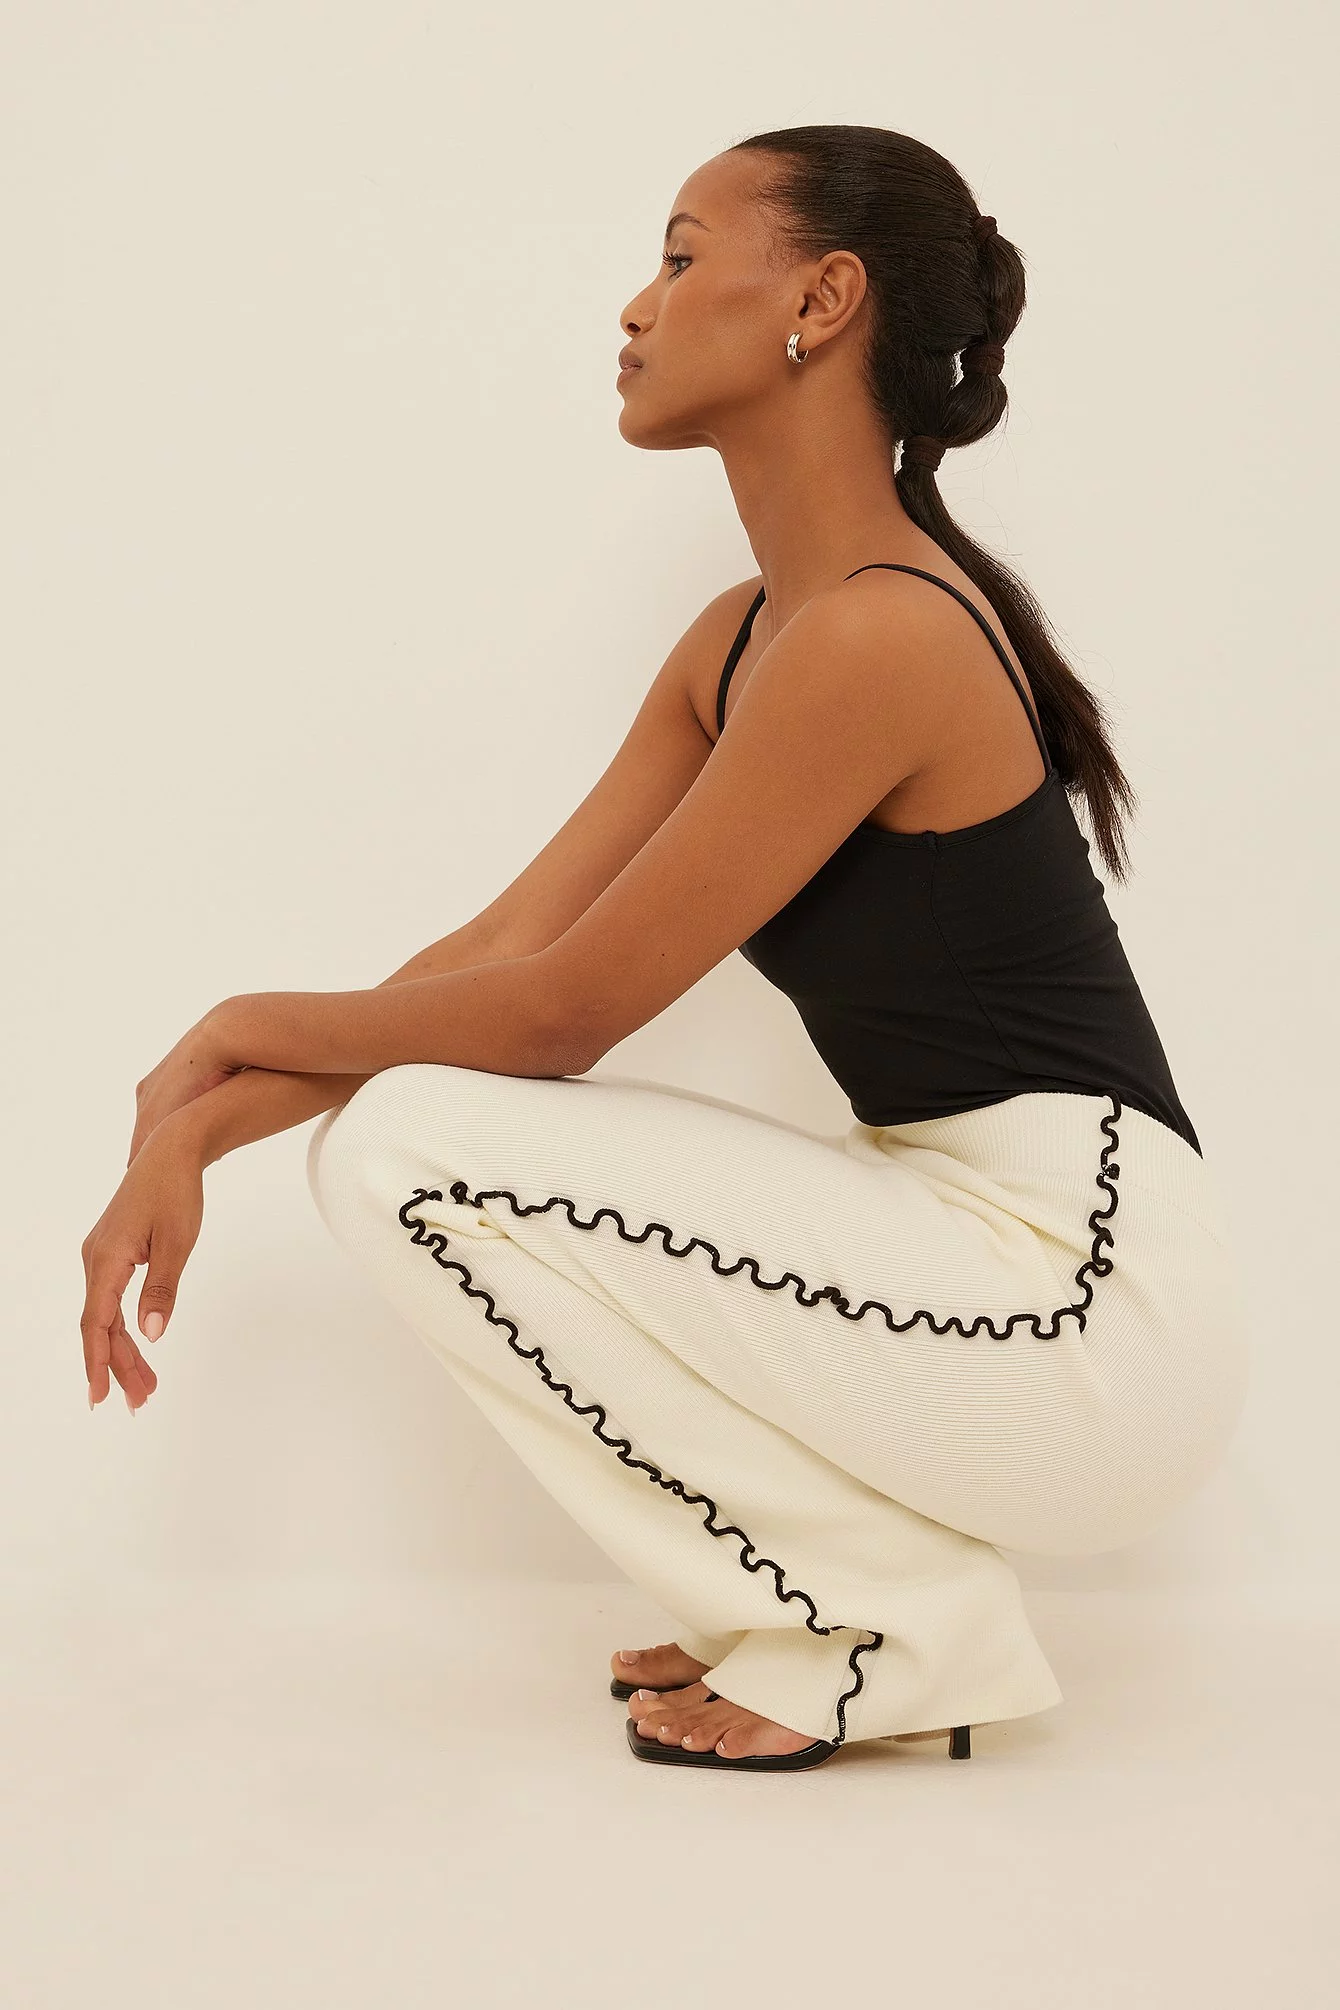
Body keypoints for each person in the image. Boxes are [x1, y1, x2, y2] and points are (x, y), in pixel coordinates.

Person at [79, 125, 1251, 1774]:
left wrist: (225, 1029)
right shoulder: (749, 638)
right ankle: (822, 1601)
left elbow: (559, 1015)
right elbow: (503, 947)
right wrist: (204, 1116)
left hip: (1088, 1301)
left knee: (410, 1145)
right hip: (962, 1238)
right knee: (397, 1129)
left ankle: (880, 1622)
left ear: (822, 300)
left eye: (684, 257)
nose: (637, 306)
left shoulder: (879, 634)